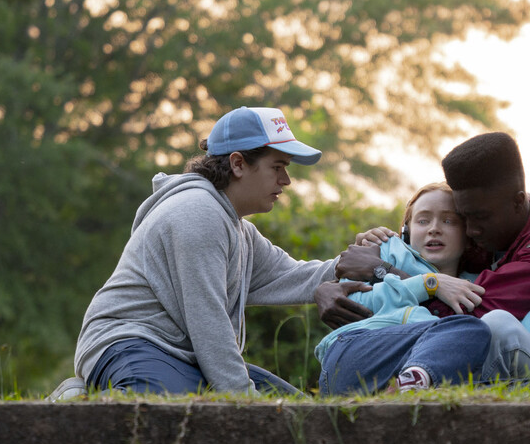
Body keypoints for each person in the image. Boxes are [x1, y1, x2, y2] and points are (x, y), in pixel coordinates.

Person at [66, 106, 339, 397]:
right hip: (130, 343)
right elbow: (209, 327)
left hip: (184, 358)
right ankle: (75, 401)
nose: (286, 180)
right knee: (167, 414)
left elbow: (293, 276)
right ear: (238, 164)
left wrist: (368, 260)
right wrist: (250, 406)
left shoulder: (237, 229)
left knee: (300, 416)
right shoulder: (197, 213)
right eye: (277, 167)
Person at [321, 132, 530, 387]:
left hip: (521, 375)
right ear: (405, 228)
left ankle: (415, 381)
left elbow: (470, 323)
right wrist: (334, 281)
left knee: (491, 325)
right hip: (361, 355)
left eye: (453, 221)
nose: (472, 230)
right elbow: (349, 303)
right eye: (465, 217)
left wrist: (401, 275)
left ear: (517, 202)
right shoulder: (398, 248)